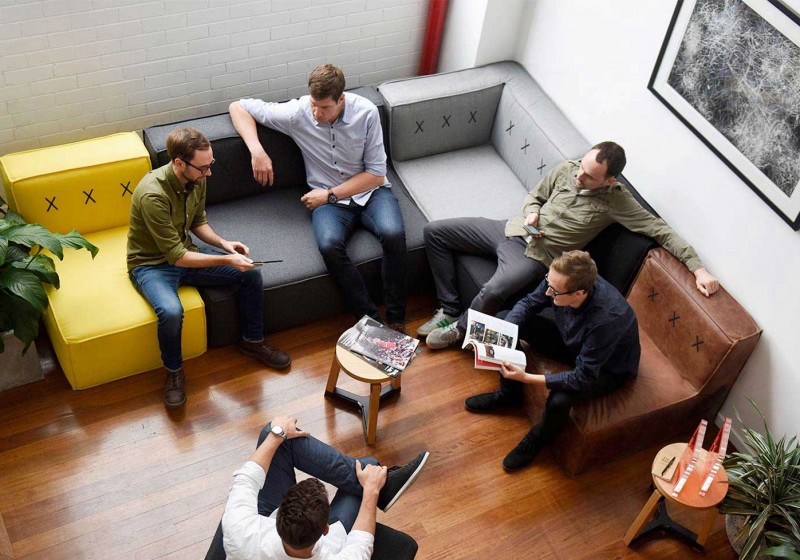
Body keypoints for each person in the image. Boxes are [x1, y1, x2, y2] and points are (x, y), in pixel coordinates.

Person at [420, 141, 720, 349]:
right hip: (510, 229)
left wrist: (698, 269)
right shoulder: (568, 168)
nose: (579, 176)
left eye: (589, 176)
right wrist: (532, 212)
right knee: (435, 232)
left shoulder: (618, 202)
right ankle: (450, 308)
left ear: (609, 180)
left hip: (535, 257)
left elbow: (661, 231)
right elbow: (535, 196)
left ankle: (459, 330)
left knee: (494, 290)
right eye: (581, 167)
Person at [229, 63, 408, 330]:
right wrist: (257, 151)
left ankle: (396, 320)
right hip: (329, 202)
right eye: (314, 104)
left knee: (393, 234)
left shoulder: (367, 113)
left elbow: (375, 174)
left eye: (324, 107)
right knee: (329, 245)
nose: (316, 113)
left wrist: (329, 195)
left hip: (369, 193)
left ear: (341, 99)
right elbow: (238, 107)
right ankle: (370, 321)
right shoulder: (297, 113)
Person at [127, 127, 290, 409]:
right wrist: (227, 260)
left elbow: (198, 222)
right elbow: (176, 257)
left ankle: (253, 342)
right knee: (171, 312)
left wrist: (225, 244)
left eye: (210, 164)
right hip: (152, 265)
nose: (209, 173)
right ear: (179, 163)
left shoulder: (197, 178)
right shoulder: (152, 195)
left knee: (251, 272)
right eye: (203, 168)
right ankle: (174, 372)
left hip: (184, 252)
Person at [221, 416, 429, 560]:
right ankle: (386, 487)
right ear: (325, 529)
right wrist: (372, 491)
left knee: (274, 434)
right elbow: (362, 543)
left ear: (278, 514)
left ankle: (384, 485)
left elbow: (246, 478)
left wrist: (276, 433)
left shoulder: (239, 529)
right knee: (367, 466)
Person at [464, 250, 640, 472]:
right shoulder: (559, 280)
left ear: (579, 293)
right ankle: (509, 394)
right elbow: (529, 302)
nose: (548, 292)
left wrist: (526, 377)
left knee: (559, 400)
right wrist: (505, 332)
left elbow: (582, 377)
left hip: (606, 368)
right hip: (574, 342)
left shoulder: (606, 321)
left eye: (554, 291)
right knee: (504, 322)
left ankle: (536, 439)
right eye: (548, 282)